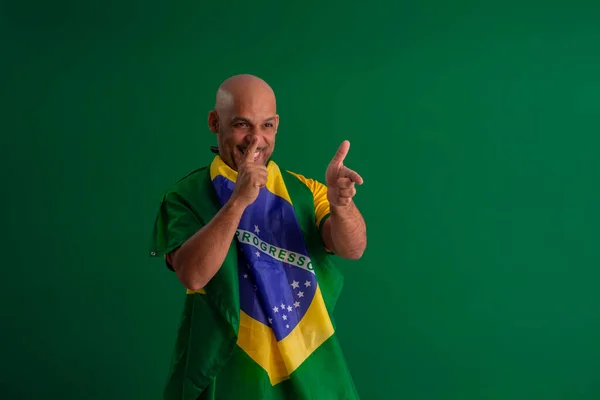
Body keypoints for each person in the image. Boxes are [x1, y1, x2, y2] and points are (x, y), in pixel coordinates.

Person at [149, 74, 367, 400]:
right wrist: (237, 202)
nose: (256, 139)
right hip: (226, 373)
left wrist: (341, 205)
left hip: (309, 370)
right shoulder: (186, 196)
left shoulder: (304, 191)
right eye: (242, 125)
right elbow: (192, 274)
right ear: (214, 122)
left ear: (277, 125)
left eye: (266, 126)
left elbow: (352, 248)